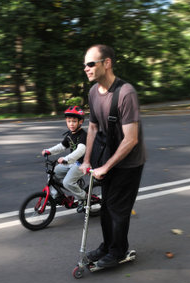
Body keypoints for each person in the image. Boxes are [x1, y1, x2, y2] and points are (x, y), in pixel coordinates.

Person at [79, 44, 146, 268]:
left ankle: (118, 251)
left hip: (129, 162)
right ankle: (107, 246)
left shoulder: (125, 93)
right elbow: (92, 128)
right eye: (84, 65)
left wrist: (106, 167)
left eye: (91, 64)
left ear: (106, 64)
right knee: (106, 206)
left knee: (118, 208)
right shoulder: (92, 92)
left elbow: (131, 139)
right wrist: (88, 160)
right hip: (107, 156)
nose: (86, 68)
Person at [42, 106, 88, 212]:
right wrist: (49, 151)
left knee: (67, 182)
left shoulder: (83, 135)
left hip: (82, 163)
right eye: (69, 121)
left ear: (80, 122)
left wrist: (66, 159)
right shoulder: (69, 134)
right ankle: (56, 196)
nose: (71, 124)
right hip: (72, 162)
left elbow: (80, 150)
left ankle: (83, 198)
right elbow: (62, 146)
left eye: (74, 121)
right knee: (53, 173)